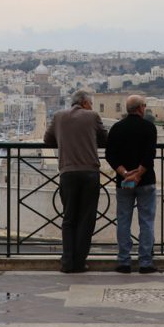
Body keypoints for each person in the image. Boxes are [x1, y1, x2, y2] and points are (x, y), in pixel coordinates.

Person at [43, 89, 108, 273]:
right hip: (89, 173)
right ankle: (79, 262)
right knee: (86, 219)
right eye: (91, 104)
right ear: (85, 103)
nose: (92, 107)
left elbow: (47, 140)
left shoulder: (58, 116)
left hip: (68, 172)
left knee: (69, 218)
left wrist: (65, 140)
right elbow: (105, 139)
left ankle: (67, 262)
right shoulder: (92, 116)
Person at [105, 94, 158, 273]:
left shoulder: (117, 128)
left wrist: (125, 174)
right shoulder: (149, 127)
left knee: (123, 221)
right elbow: (150, 155)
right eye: (144, 105)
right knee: (147, 221)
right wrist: (139, 174)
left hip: (124, 182)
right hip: (146, 181)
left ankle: (124, 261)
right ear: (140, 108)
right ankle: (145, 262)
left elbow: (110, 155)